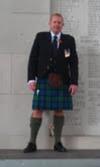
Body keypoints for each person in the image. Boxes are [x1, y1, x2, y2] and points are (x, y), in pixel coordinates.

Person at [24, 13, 78, 153]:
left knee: (59, 110)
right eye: (54, 22)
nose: (56, 24)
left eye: (59, 22)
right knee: (37, 110)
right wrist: (31, 78)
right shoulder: (41, 37)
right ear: (50, 23)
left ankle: (58, 143)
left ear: (62, 25)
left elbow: (72, 63)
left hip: (61, 81)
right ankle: (32, 143)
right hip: (42, 80)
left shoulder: (68, 40)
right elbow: (33, 58)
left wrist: (74, 82)